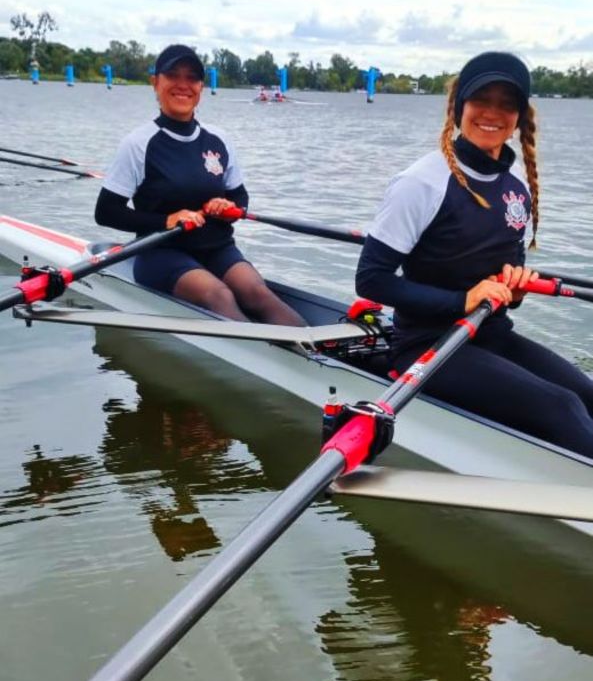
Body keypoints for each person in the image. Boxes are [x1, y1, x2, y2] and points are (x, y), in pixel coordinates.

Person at [355, 51, 593, 458]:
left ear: (520, 116)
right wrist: (462, 301)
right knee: (562, 406)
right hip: (429, 344)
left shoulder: (516, 184)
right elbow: (371, 280)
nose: (492, 114)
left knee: (587, 394)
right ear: (458, 106)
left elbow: (507, 271)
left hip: (491, 334)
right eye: (481, 100)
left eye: (506, 104)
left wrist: (514, 288)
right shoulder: (421, 183)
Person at [95, 44, 304, 325]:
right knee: (219, 296)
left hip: (217, 248)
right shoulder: (139, 144)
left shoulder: (218, 139)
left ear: (201, 87)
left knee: (258, 293)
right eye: (173, 75)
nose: (183, 85)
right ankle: (280, 358)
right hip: (161, 252)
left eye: (192, 78)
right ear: (155, 83)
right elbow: (106, 212)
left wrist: (230, 205)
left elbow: (240, 196)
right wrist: (168, 219)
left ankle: (318, 353)